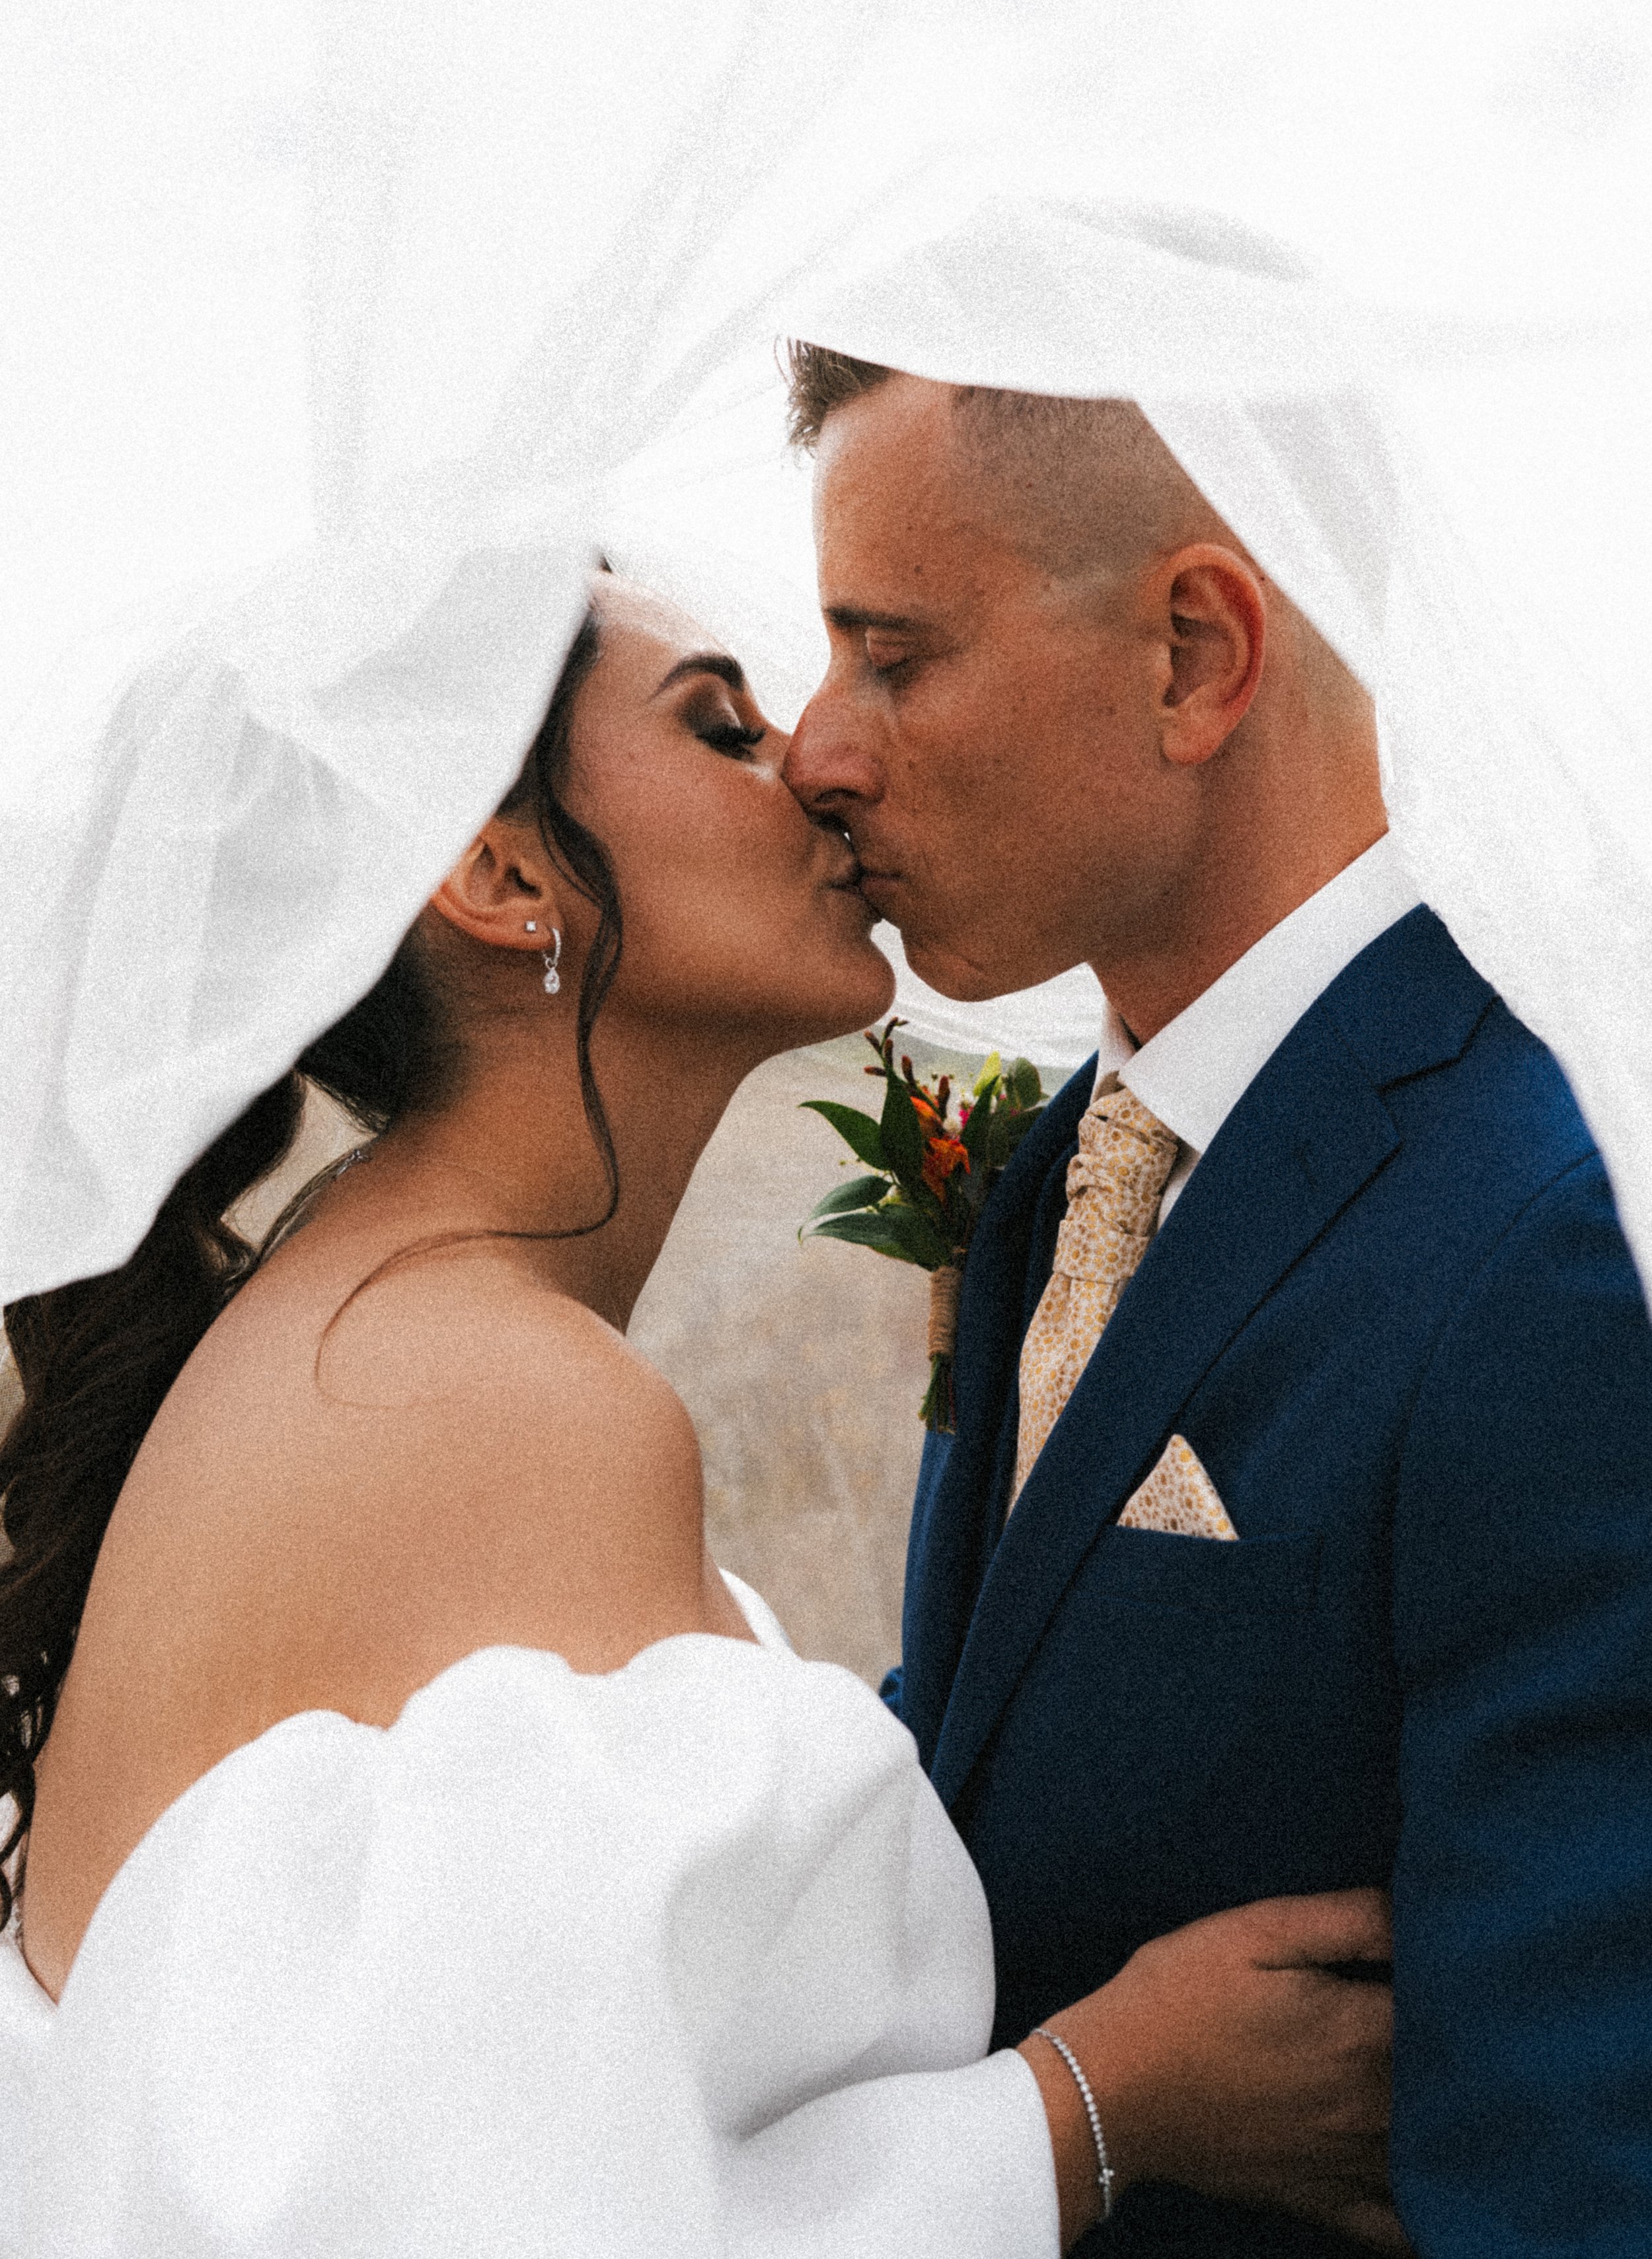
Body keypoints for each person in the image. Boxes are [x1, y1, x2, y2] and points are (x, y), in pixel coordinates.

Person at [0, 575, 1396, 2256]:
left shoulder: (364, 1317)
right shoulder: (507, 1398)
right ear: (505, 877)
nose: (810, 761)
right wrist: (1104, 2099)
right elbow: (556, 2220)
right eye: (719, 724)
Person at [779, 273, 1652, 2256]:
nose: (817, 749)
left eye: (889, 653)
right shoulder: (1063, 1175)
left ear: (1192, 652)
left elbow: (1571, 2158)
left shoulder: (1547, 1233)